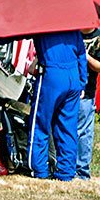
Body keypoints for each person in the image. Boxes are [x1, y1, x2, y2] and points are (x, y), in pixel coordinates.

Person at [28, 29, 88, 181]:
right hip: (73, 76)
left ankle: (39, 170)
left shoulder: (42, 24)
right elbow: (81, 54)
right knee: (68, 128)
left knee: (40, 124)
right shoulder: (73, 26)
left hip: (51, 74)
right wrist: (82, 82)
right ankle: (66, 172)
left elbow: (14, 32)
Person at [76, 4, 100, 180]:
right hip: (69, 89)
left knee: (83, 132)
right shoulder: (72, 33)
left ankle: (82, 171)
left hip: (86, 92)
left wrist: (86, 56)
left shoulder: (99, 39)